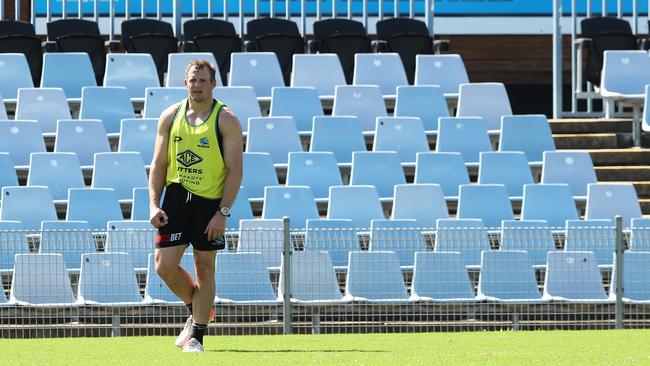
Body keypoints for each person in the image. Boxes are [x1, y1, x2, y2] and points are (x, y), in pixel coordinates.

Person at [148, 59, 243, 353]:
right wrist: (153, 205)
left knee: (204, 268)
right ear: (185, 83)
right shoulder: (170, 115)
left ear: (213, 84)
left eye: (203, 80)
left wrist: (222, 212)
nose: (197, 85)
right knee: (164, 267)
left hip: (209, 204)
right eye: (193, 80)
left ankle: (197, 336)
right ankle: (198, 308)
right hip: (176, 199)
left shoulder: (226, 119)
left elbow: (235, 171)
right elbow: (159, 163)